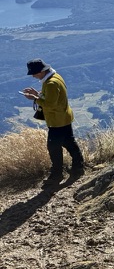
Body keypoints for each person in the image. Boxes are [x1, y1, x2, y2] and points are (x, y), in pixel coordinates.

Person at [21, 58, 85, 186]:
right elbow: (52, 97)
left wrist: (34, 98)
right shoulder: (54, 77)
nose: (33, 76)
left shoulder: (50, 83)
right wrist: (37, 94)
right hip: (64, 117)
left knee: (53, 147)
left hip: (57, 121)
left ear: (42, 71)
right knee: (69, 142)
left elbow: (50, 104)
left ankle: (56, 175)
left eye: (34, 73)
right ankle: (78, 168)